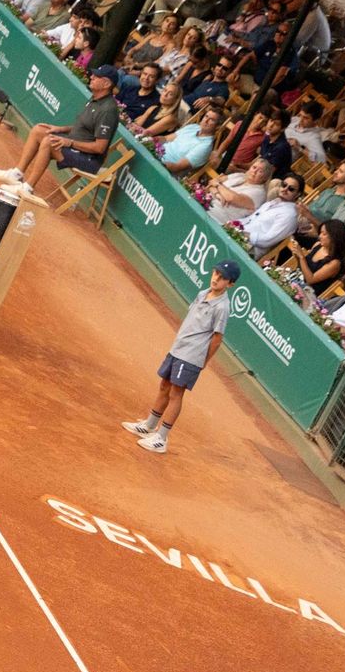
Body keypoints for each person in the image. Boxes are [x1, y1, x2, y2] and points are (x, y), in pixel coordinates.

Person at [122, 259, 241, 455]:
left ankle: (161, 438)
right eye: (216, 273)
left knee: (176, 394)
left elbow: (217, 339)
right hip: (178, 349)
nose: (216, 278)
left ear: (230, 284)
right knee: (164, 386)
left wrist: (202, 362)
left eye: (222, 278)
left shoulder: (222, 307)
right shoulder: (203, 293)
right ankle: (150, 425)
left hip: (192, 356)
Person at [0, 66, 121, 198]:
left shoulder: (108, 110)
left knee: (49, 142)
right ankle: (16, 175)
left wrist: (69, 142)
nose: (91, 77)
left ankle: (27, 188)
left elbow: (99, 147)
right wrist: (60, 129)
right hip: (76, 148)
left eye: (96, 76)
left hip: (89, 160)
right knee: (39, 130)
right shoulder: (94, 100)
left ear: (106, 84)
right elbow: (83, 127)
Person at [241, 173, 303, 255]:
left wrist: (244, 234)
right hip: (240, 235)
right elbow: (249, 219)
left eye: (291, 189)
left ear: (298, 194)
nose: (285, 189)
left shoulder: (290, 215)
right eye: (284, 185)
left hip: (250, 248)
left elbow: (268, 240)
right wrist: (233, 224)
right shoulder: (274, 202)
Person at [159, 104, 225, 176]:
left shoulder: (205, 146)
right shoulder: (193, 127)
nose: (206, 120)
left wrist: (158, 162)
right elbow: (166, 138)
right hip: (157, 152)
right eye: (206, 116)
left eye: (211, 120)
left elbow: (177, 167)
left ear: (217, 127)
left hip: (165, 168)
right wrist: (150, 140)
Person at [205, 158, 273, 225]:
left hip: (217, 218)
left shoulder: (259, 193)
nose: (254, 171)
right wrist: (217, 194)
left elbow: (231, 198)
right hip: (206, 203)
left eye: (260, 171)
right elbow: (212, 183)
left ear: (264, 178)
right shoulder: (240, 175)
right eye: (254, 167)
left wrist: (217, 185)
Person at [291, 218, 345, 292]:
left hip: (307, 291)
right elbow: (304, 265)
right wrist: (297, 254)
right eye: (320, 233)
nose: (320, 236)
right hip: (296, 279)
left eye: (324, 234)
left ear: (334, 238)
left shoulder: (335, 263)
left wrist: (301, 257)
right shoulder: (318, 245)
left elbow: (310, 280)